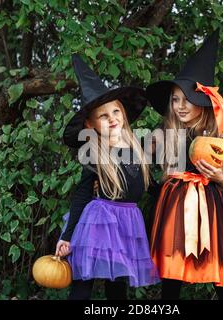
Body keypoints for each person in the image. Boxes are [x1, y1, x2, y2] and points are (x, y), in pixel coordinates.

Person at [146, 31, 223, 300]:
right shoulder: (164, 134)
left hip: (211, 213)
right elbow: (141, 168)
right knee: (171, 280)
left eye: (187, 99)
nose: (180, 106)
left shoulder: (216, 137)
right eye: (175, 99)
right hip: (173, 210)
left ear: (203, 103)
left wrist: (221, 178)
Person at [55, 54, 160, 300]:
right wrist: (68, 236)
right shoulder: (94, 153)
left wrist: (174, 190)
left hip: (128, 221)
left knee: (118, 282)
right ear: (90, 125)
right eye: (104, 116)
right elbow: (82, 193)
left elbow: (149, 185)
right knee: (84, 280)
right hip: (100, 219)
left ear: (123, 114)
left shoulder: (137, 148)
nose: (112, 118)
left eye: (116, 111)